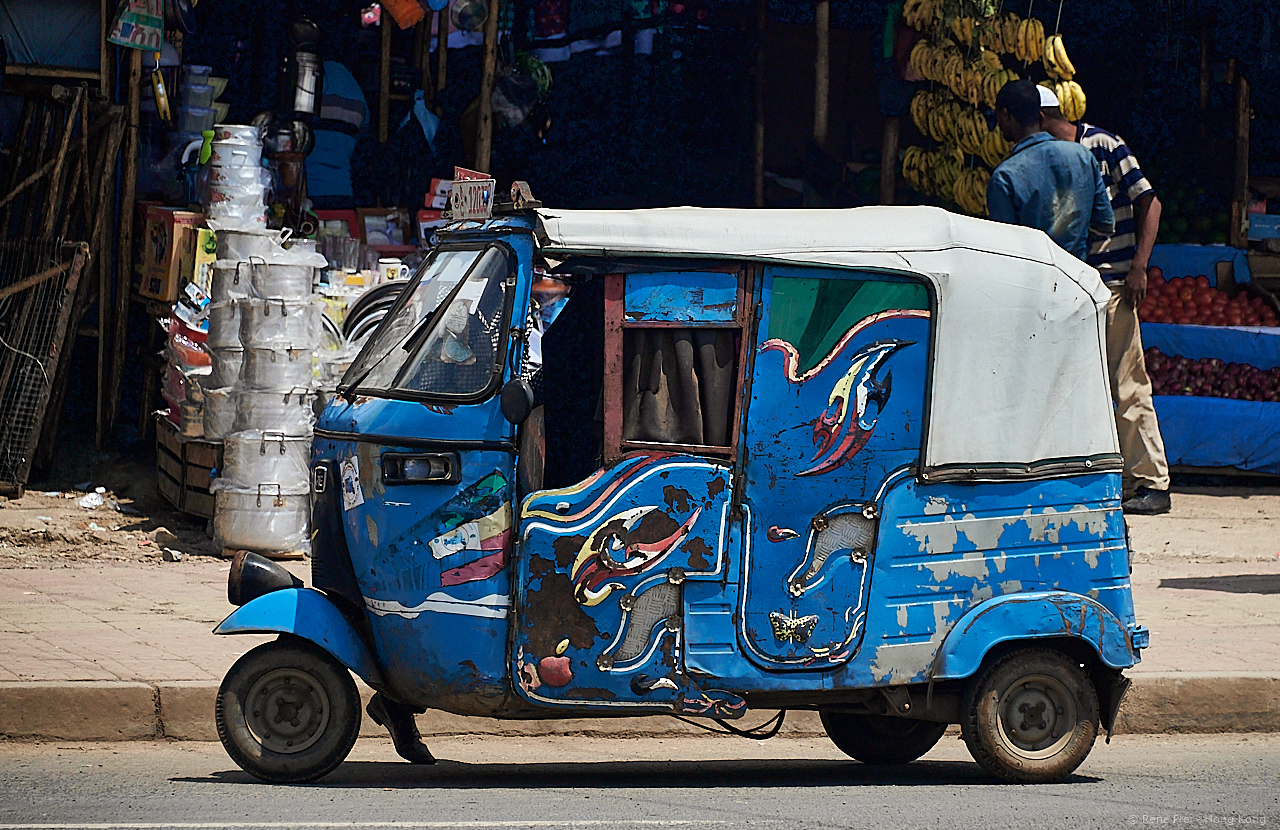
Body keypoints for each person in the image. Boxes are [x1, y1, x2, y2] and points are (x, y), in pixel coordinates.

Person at [1041, 86, 1171, 515]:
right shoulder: (1046, 158)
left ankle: (1152, 481)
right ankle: (1120, 477)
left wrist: (1139, 266)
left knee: (1128, 383)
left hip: (1113, 283)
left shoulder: (1103, 145)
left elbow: (1147, 201)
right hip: (1074, 287)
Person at [986, 80, 1115, 260]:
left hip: (1033, 281)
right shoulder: (1082, 156)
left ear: (1005, 115)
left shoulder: (1005, 177)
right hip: (1075, 277)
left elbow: (1004, 249)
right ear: (1040, 116)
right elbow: (1105, 222)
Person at [306, 59, 367, 210]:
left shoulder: (306, 84)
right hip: (342, 193)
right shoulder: (355, 91)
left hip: (304, 195)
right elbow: (363, 138)